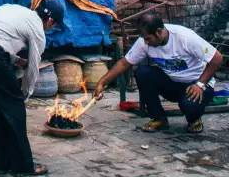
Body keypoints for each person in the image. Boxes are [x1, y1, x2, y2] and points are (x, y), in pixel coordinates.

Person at [0, 0, 65, 177]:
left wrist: (16, 60)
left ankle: (1, 163)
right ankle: (23, 166)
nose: (51, 28)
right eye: (54, 25)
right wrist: (24, 95)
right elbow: (33, 69)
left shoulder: (14, 9)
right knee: (14, 110)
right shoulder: (37, 29)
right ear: (50, 21)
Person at [94, 11, 223, 134]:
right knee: (142, 73)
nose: (146, 42)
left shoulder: (185, 37)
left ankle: (194, 120)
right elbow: (124, 63)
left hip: (197, 84)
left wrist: (200, 84)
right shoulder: (145, 41)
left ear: (159, 32)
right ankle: (158, 118)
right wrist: (102, 82)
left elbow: (217, 58)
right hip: (173, 83)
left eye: (148, 39)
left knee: (189, 106)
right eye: (144, 39)